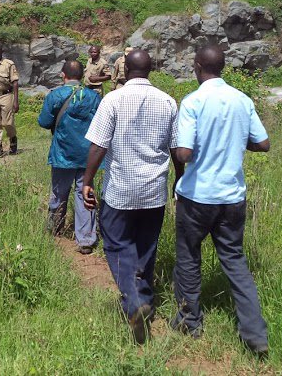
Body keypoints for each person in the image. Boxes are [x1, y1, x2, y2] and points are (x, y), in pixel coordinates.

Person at [170, 44, 271, 359]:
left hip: (198, 196)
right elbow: (263, 143)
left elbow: (184, 153)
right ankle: (255, 334)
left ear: (199, 66)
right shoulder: (242, 100)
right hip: (231, 196)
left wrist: (177, 152)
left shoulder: (193, 102)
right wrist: (234, 142)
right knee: (235, 260)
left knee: (188, 257)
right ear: (222, 67)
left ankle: (190, 320)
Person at [82, 48, 178, 344]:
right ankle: (143, 300)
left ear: (124, 72)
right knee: (147, 247)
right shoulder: (167, 101)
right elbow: (177, 149)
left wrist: (87, 181)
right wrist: (181, 180)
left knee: (116, 243)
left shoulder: (112, 99)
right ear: (151, 70)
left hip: (120, 190)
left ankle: (136, 302)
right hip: (154, 191)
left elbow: (98, 145)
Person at [37, 60, 102, 254]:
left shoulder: (55, 95)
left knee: (59, 192)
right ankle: (86, 240)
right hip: (88, 154)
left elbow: (44, 121)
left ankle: (55, 229)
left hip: (63, 153)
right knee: (85, 191)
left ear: (63, 75)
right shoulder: (94, 97)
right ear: (82, 76)